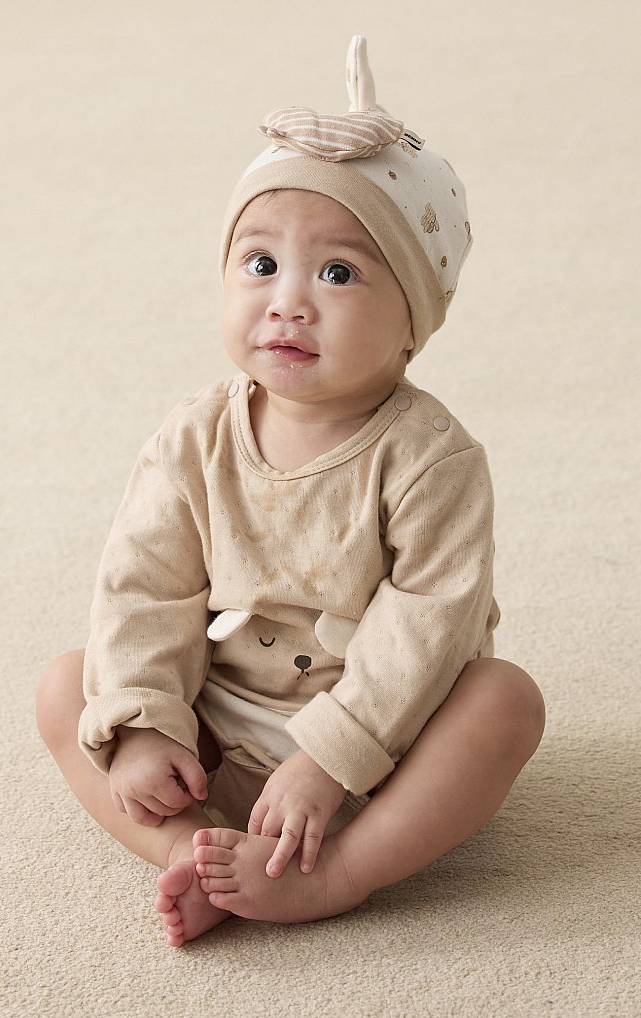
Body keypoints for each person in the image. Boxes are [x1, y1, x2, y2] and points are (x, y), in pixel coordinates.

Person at [36, 36, 545, 947]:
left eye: (338, 274)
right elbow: (143, 586)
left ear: (414, 321)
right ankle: (194, 851)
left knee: (504, 702)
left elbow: (428, 626)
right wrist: (148, 724)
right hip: (212, 729)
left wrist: (330, 757)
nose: (288, 302)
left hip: (381, 748)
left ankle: (338, 872)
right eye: (260, 264)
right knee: (67, 689)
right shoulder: (194, 436)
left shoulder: (432, 458)